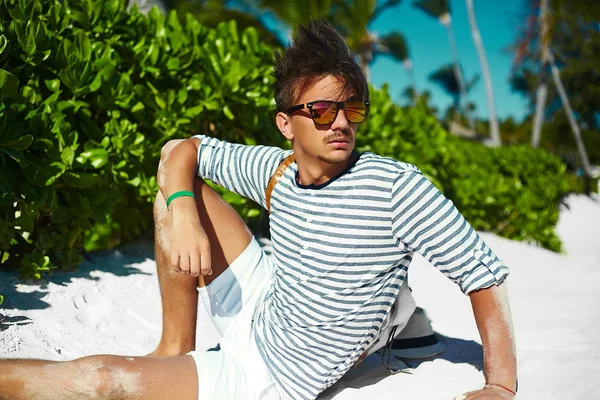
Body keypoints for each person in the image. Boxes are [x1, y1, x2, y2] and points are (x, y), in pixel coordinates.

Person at [0, 19, 517, 400]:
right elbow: (181, 150)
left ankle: (393, 320)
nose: (341, 123)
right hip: (264, 304)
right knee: (175, 191)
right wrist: (182, 214)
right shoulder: (276, 171)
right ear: (286, 125)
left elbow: (483, 275)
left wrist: (500, 385)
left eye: (351, 108)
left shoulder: (396, 188)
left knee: (101, 381)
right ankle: (175, 345)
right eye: (321, 109)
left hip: (267, 374)